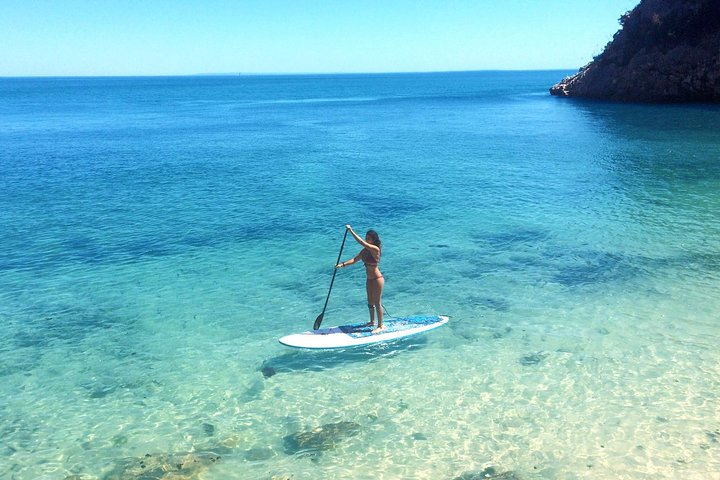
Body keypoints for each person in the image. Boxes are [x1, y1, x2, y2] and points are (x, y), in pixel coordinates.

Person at [336, 225, 385, 333]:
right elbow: (354, 259)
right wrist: (342, 264)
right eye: (366, 238)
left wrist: (351, 231)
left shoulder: (375, 249)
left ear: (373, 240)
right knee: (369, 301)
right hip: (369, 279)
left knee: (377, 302)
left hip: (377, 279)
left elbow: (362, 243)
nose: (367, 240)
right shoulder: (364, 251)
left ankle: (380, 325)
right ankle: (372, 321)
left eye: (369, 239)